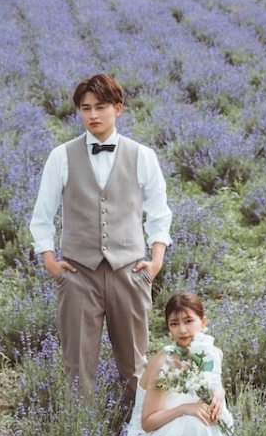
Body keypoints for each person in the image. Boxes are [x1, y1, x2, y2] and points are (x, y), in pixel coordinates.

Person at [29, 73, 172, 406]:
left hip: (130, 271)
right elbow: (42, 216)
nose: (92, 115)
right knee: (77, 369)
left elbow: (159, 212)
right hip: (79, 274)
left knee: (135, 367)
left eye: (101, 107)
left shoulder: (143, 156)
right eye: (85, 108)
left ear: (117, 109)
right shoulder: (61, 157)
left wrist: (156, 260)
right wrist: (51, 261)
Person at [120, 291, 239, 436]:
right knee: (195, 422)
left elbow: (212, 388)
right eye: (174, 324)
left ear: (203, 322)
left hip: (180, 432)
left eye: (188, 321)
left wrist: (219, 392)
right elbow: (147, 422)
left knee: (218, 416)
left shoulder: (212, 353)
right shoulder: (163, 364)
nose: (182, 330)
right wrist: (185, 409)